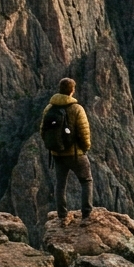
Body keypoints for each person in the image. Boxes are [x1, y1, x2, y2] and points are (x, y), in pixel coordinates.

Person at [40, 77, 93, 220]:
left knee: (60, 184)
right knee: (86, 181)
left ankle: (62, 216)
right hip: (76, 154)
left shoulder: (49, 108)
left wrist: (54, 146)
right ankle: (86, 215)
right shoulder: (77, 109)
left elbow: (43, 131)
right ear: (72, 90)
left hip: (57, 153)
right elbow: (84, 132)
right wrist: (85, 148)